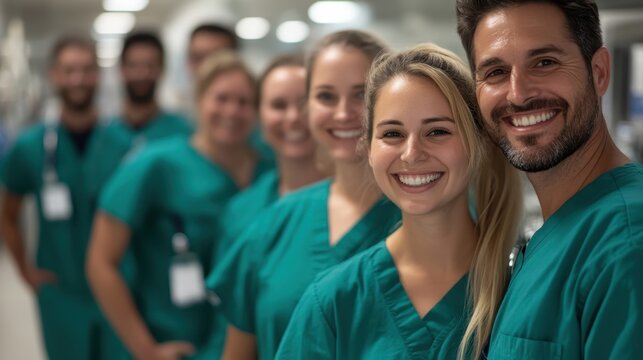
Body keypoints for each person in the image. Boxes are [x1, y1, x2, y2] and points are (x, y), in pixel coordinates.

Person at [275, 43, 522, 360]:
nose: (412, 153)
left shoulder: (520, 286)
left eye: (437, 131)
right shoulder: (335, 302)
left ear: (479, 141)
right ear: (367, 147)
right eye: (392, 134)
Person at [456, 0, 643, 358]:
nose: (518, 93)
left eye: (544, 63)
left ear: (599, 72)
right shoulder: (557, 237)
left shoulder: (628, 243)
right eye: (495, 72)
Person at [206, 30, 402, 360]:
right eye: (325, 96)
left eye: (361, 94)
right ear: (308, 106)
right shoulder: (273, 225)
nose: (343, 113)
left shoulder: (424, 219)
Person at [86, 51, 273, 360]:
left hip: (259, 343)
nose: (232, 110)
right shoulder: (155, 165)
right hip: (182, 343)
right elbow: (100, 262)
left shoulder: (272, 167)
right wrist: (145, 349)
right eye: (221, 98)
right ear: (199, 101)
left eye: (244, 102)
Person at [0, 36, 130, 360]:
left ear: (99, 75)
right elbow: (7, 213)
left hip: (121, 287)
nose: (78, 79)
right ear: (53, 76)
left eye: (87, 69)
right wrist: (25, 270)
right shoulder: (29, 147)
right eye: (69, 70)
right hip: (60, 292)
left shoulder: (125, 145)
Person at [212, 53, 326, 261]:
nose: (293, 117)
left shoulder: (358, 202)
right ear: (259, 115)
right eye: (279, 105)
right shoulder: (241, 211)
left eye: (303, 105)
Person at [107, 31, 192, 152]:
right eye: (134, 65)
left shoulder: (182, 132)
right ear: (121, 69)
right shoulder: (104, 135)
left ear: (162, 69)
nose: (142, 74)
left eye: (150, 65)